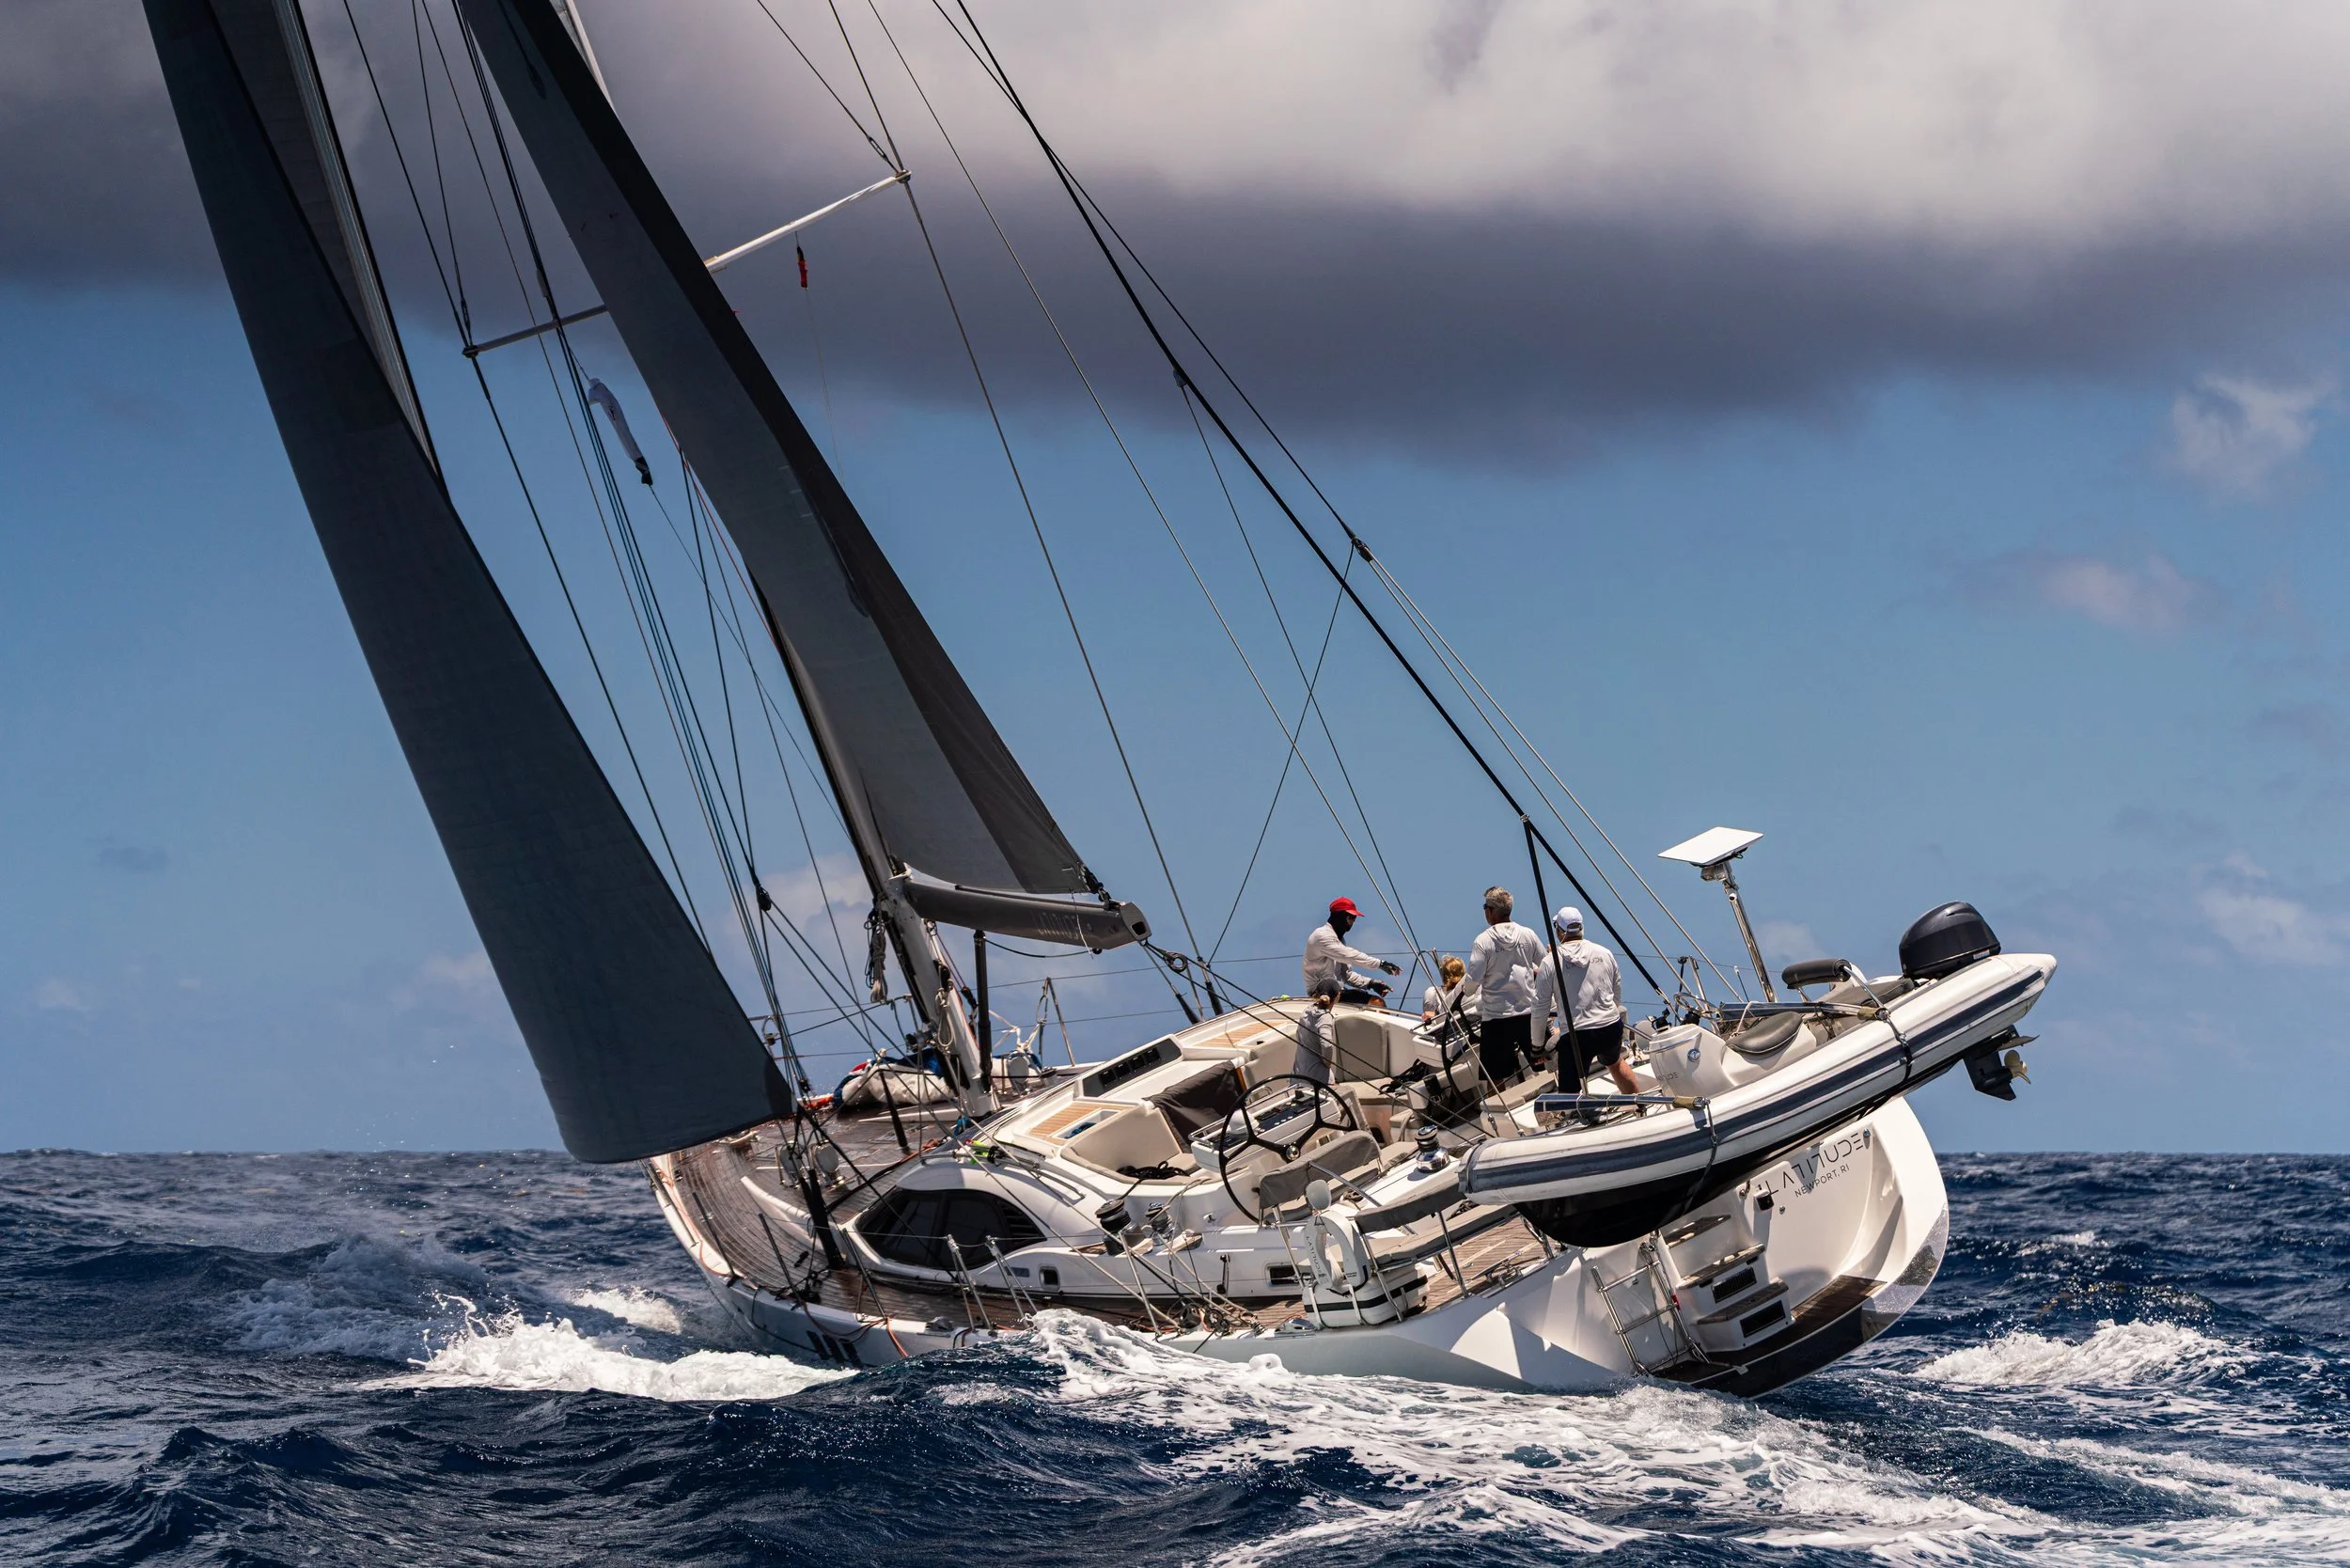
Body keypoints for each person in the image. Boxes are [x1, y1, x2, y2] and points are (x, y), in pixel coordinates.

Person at [1531, 906, 1639, 1095]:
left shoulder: (1550, 962)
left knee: (1569, 1090)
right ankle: (1639, 1104)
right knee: (1615, 1062)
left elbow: (1540, 1008)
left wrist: (1537, 1045)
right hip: (1609, 1027)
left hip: (1577, 1036)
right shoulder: (1604, 953)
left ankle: (1575, 1116)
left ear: (1558, 931)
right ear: (1581, 928)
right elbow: (1616, 994)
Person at [1465, 886, 1547, 1084]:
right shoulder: (1528, 934)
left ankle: (1497, 1112)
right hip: (1530, 1014)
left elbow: (1472, 983)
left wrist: (1466, 989)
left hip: (1497, 1018)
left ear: (1490, 911)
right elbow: (1546, 966)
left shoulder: (1483, 941)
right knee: (1545, 1067)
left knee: (1495, 1078)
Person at [1304, 897, 1401, 1005]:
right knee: (1376, 1004)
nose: (1352, 922)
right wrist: (1380, 964)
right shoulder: (1322, 935)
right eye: (1350, 917)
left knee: (1377, 1003)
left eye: (1354, 919)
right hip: (1320, 993)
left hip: (1338, 992)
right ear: (1339, 916)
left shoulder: (1339, 940)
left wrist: (1371, 984)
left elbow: (1346, 975)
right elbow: (1349, 955)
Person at [1293, 978, 1340, 1086]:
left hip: (1298, 1077)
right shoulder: (1324, 1017)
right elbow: (1327, 1044)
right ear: (1338, 996)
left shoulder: (1306, 1011)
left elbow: (1298, 1034)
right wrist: (1327, 1064)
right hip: (1318, 1080)